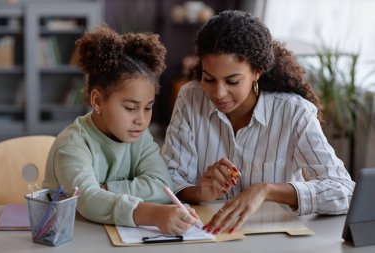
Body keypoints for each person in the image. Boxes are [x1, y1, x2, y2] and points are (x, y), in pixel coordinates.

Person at [161, 10, 355, 234]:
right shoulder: (191, 98)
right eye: (209, 78)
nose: (218, 93)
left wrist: (267, 191)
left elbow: (344, 190)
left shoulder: (294, 113)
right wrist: (200, 192)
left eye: (232, 81)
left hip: (273, 239)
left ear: (257, 72)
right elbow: (168, 177)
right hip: (207, 236)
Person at [43, 24, 198, 235]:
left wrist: (105, 190)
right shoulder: (73, 144)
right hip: (69, 238)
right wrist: (153, 214)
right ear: (97, 101)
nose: (141, 120)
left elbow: (162, 185)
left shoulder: (140, 136)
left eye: (148, 108)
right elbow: (86, 200)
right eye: (130, 108)